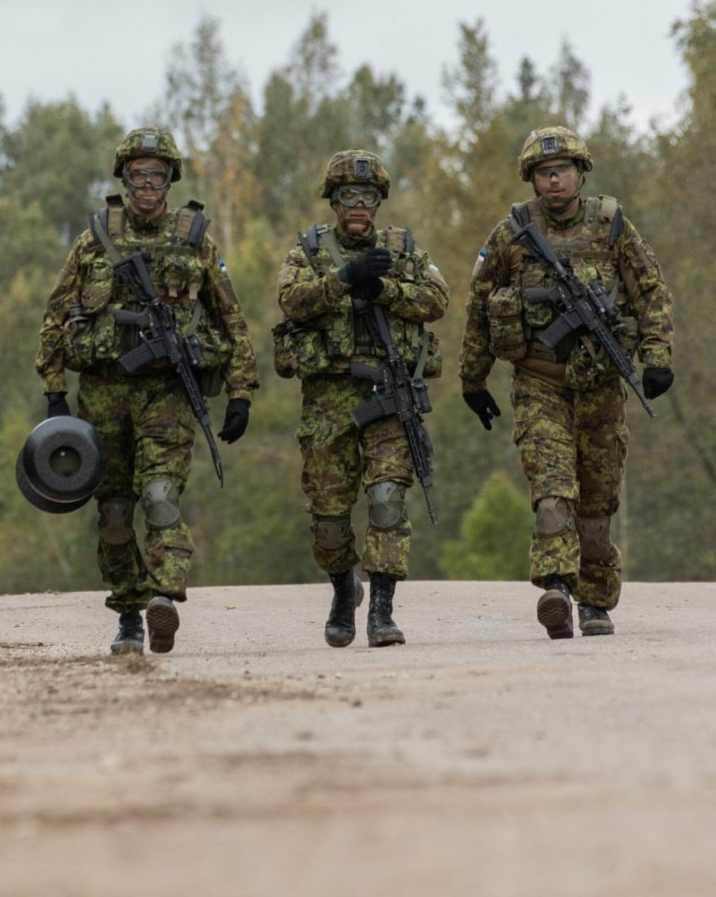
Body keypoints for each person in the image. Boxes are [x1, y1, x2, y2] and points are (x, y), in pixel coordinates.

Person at [36, 126, 258, 655]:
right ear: (124, 178)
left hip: (166, 396)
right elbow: (55, 314)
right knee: (114, 514)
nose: (148, 184)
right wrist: (54, 392)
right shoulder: (95, 239)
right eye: (138, 174)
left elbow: (231, 319)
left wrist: (240, 391)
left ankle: (164, 597)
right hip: (103, 396)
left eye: (157, 175)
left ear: (171, 180)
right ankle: (128, 615)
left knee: (160, 497)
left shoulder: (195, 240)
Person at [459, 126, 674, 639]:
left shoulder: (611, 225)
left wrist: (657, 356)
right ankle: (555, 586)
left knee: (597, 502)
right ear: (533, 180)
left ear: (580, 172)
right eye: (543, 174)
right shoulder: (512, 232)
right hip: (539, 382)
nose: (554, 181)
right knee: (554, 491)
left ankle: (595, 603)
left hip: (600, 385)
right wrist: (473, 377)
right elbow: (478, 303)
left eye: (562, 171)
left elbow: (650, 290)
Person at [274, 150, 447, 648]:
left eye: (367, 197)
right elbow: (291, 300)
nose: (358, 205)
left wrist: (386, 288)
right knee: (329, 521)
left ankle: (383, 611)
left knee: (388, 498)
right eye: (348, 195)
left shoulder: (403, 249)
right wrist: (343, 281)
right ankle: (343, 587)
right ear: (333, 201)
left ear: (378, 203)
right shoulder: (307, 251)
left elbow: (438, 299)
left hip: (389, 395)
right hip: (328, 402)